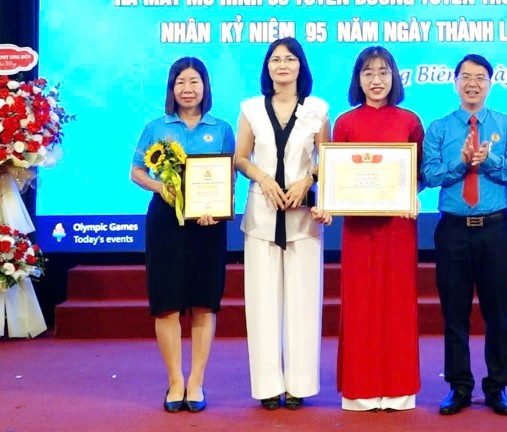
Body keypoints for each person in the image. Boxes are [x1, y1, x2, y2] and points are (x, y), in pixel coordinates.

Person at [420, 53, 507, 416]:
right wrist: (461, 162)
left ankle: (497, 387)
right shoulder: (439, 128)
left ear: (490, 84)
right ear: (455, 83)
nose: (473, 84)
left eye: (480, 77)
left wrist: (489, 160)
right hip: (453, 231)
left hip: (495, 230)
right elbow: (429, 175)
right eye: (466, 77)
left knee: (498, 313)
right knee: (455, 313)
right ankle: (459, 386)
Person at [130, 57, 234, 414]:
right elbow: (136, 172)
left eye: (194, 82)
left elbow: (229, 178)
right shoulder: (157, 127)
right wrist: (161, 187)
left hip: (208, 224)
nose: (188, 89)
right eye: (181, 82)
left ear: (205, 87)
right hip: (166, 222)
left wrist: (216, 208)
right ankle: (175, 380)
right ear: (171, 88)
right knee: (167, 303)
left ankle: (196, 381)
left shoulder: (221, 129)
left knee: (205, 302)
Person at [233, 37, 330, 410]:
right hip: (262, 215)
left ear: (300, 66)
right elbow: (241, 158)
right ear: (267, 67)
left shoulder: (318, 109)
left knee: (304, 302)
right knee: (262, 303)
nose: (282, 65)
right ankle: (268, 386)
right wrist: (263, 178)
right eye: (275, 59)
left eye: (290, 59)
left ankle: (299, 385)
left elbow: (327, 157)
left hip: (303, 217)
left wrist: (309, 179)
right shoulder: (251, 109)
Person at [327, 46, 424, 411]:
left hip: (398, 227)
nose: (376, 80)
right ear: (358, 79)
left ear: (394, 77)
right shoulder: (345, 123)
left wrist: (411, 193)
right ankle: (360, 390)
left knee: (398, 304)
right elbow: (337, 175)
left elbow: (418, 173)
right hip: (358, 229)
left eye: (383, 72)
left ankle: (399, 389)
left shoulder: (410, 121)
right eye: (368, 73)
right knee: (361, 304)